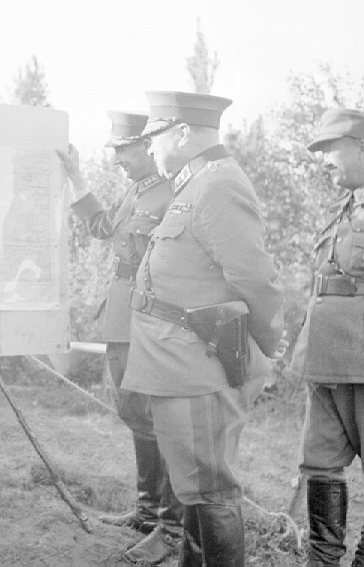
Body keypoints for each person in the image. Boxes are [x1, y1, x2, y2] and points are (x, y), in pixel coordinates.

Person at [121, 91, 284, 566]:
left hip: (198, 364)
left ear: (182, 133)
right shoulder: (194, 184)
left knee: (210, 487)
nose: (149, 148)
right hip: (178, 363)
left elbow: (254, 278)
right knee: (193, 485)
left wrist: (265, 346)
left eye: (155, 137)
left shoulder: (218, 185)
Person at [57, 111, 183, 565]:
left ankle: (171, 526)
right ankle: (147, 513)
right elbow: (104, 227)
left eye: (123, 151)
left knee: (159, 415)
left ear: (148, 146)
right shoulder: (137, 190)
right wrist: (75, 176)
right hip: (123, 313)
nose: (117, 161)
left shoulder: (174, 192)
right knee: (133, 410)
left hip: (152, 314)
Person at [290, 107, 364, 567]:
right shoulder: (345, 208)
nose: (323, 161)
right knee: (319, 461)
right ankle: (323, 560)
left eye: (330, 149)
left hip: (361, 359)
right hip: (325, 358)